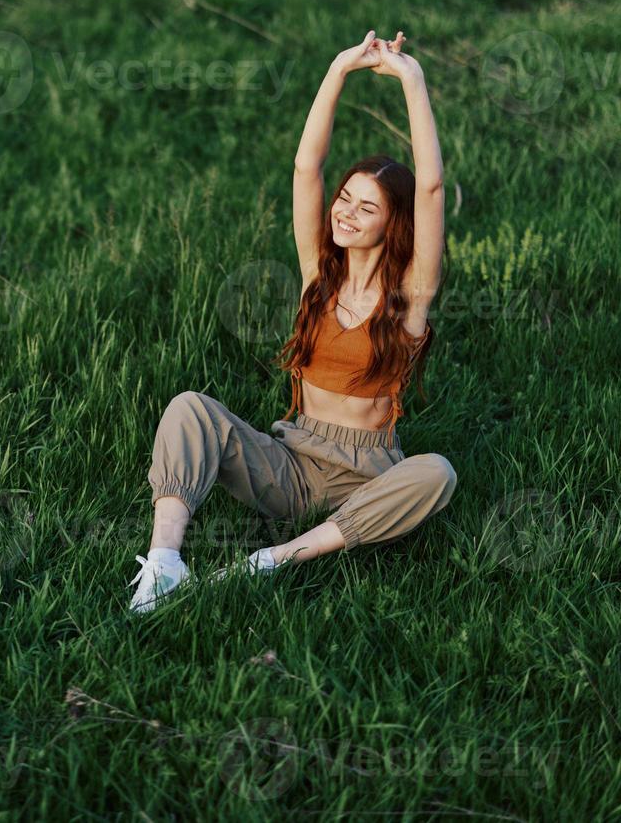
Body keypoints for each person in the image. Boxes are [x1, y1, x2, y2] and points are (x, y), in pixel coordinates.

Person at [128, 30, 458, 614]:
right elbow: (308, 167)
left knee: (436, 472)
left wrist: (412, 78)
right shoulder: (318, 280)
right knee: (189, 409)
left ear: (393, 224)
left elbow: (429, 188)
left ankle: (270, 560)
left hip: (366, 477)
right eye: (346, 198)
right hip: (290, 466)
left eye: (367, 207)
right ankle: (164, 565)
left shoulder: (409, 298)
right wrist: (338, 67)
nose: (346, 213)